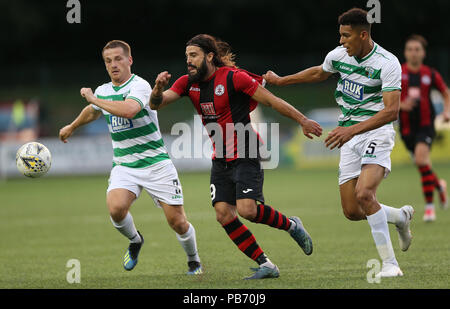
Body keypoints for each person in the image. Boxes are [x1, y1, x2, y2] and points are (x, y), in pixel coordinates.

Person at [150, 34, 322, 279]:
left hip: (246, 150)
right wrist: (157, 89)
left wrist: (303, 120)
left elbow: (272, 101)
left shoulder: (234, 78)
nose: (188, 61)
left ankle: (292, 225)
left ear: (210, 56)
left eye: (194, 55)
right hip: (220, 157)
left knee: (248, 210)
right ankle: (267, 265)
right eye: (187, 56)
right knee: (223, 214)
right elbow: (157, 104)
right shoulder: (188, 83)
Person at [263, 8, 414, 278]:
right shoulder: (339, 55)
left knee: (365, 195)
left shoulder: (387, 63)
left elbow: (391, 112)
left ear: (363, 34)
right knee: (353, 211)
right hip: (349, 136)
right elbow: (319, 73)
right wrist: (281, 81)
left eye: (346, 36)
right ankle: (400, 217)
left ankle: (390, 264)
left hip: (376, 133)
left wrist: (351, 130)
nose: (342, 41)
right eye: (340, 36)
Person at [58, 40, 202, 275]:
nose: (113, 65)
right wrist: (72, 126)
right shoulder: (103, 91)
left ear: (129, 60)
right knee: (116, 208)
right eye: (108, 61)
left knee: (177, 222)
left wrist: (93, 98)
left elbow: (129, 110)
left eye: (118, 59)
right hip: (124, 164)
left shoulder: (140, 86)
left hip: (156, 163)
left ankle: (193, 260)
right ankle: (135, 240)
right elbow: (93, 111)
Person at [399, 34, 449, 222]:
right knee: (423, 165)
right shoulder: (398, 72)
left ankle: (429, 208)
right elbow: (385, 97)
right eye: (410, 49)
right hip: (405, 128)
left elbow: (446, 93)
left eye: (417, 49)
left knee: (421, 161)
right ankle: (440, 186)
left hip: (426, 125)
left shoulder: (430, 74)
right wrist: (400, 105)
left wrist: (447, 112)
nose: (413, 53)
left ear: (423, 53)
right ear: (405, 52)